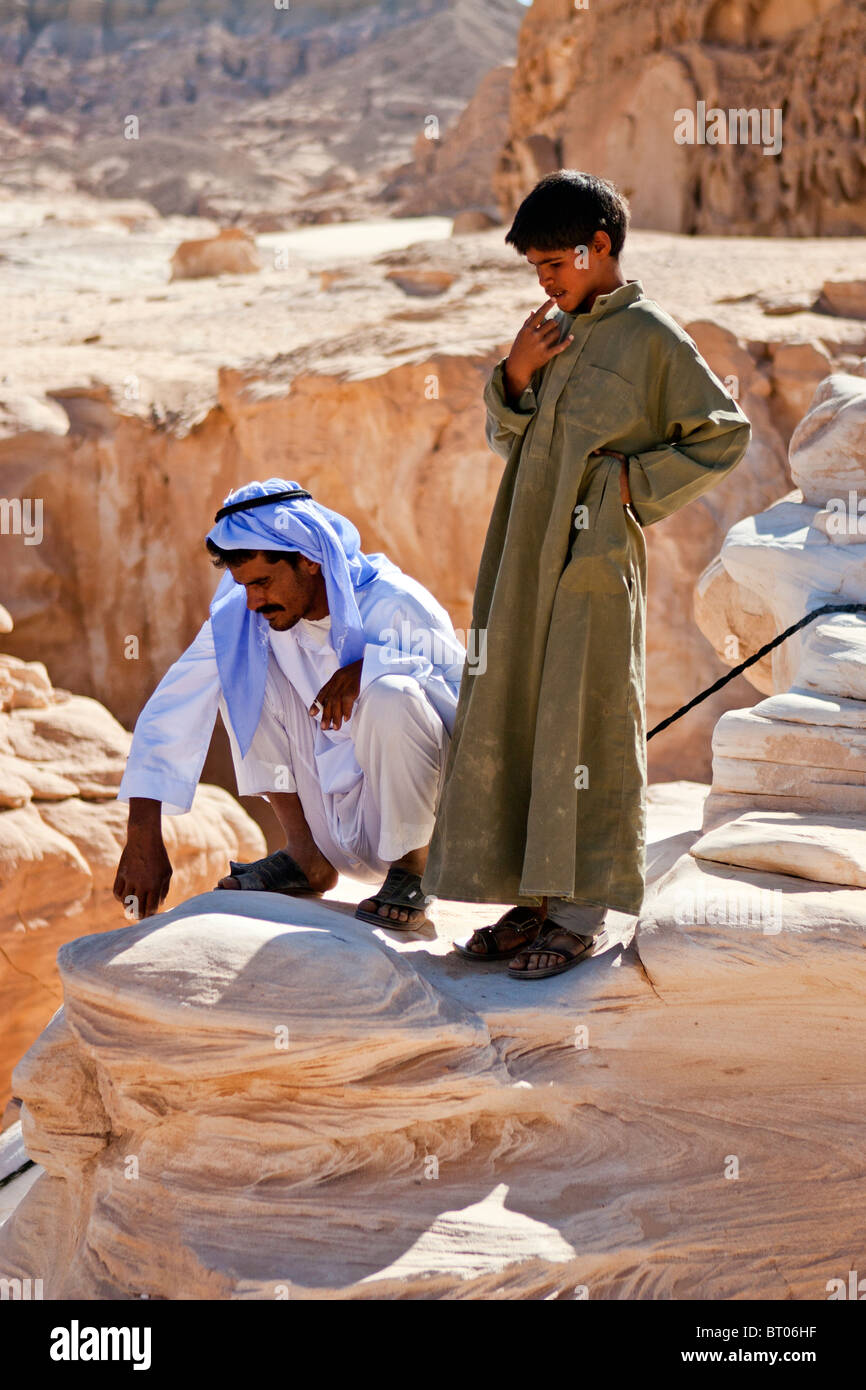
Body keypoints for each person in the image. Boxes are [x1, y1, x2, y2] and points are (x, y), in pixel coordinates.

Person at [422, 170, 752, 980]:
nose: (547, 281)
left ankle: (578, 910)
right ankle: (530, 897)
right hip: (521, 551)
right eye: (535, 270)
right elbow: (514, 443)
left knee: (583, 714)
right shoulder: (553, 330)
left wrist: (630, 489)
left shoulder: (653, 338)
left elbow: (722, 434)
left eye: (556, 264)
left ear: (599, 245)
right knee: (518, 707)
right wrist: (517, 374)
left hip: (593, 561)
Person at [113, 479, 465, 928]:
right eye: (243, 586)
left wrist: (371, 668)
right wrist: (142, 833)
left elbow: (470, 707)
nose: (254, 601)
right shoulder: (245, 619)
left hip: (419, 823)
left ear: (309, 560)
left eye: (262, 582)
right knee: (237, 661)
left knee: (393, 694)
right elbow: (172, 706)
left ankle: (412, 870)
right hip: (334, 825)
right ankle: (306, 856)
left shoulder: (394, 603)